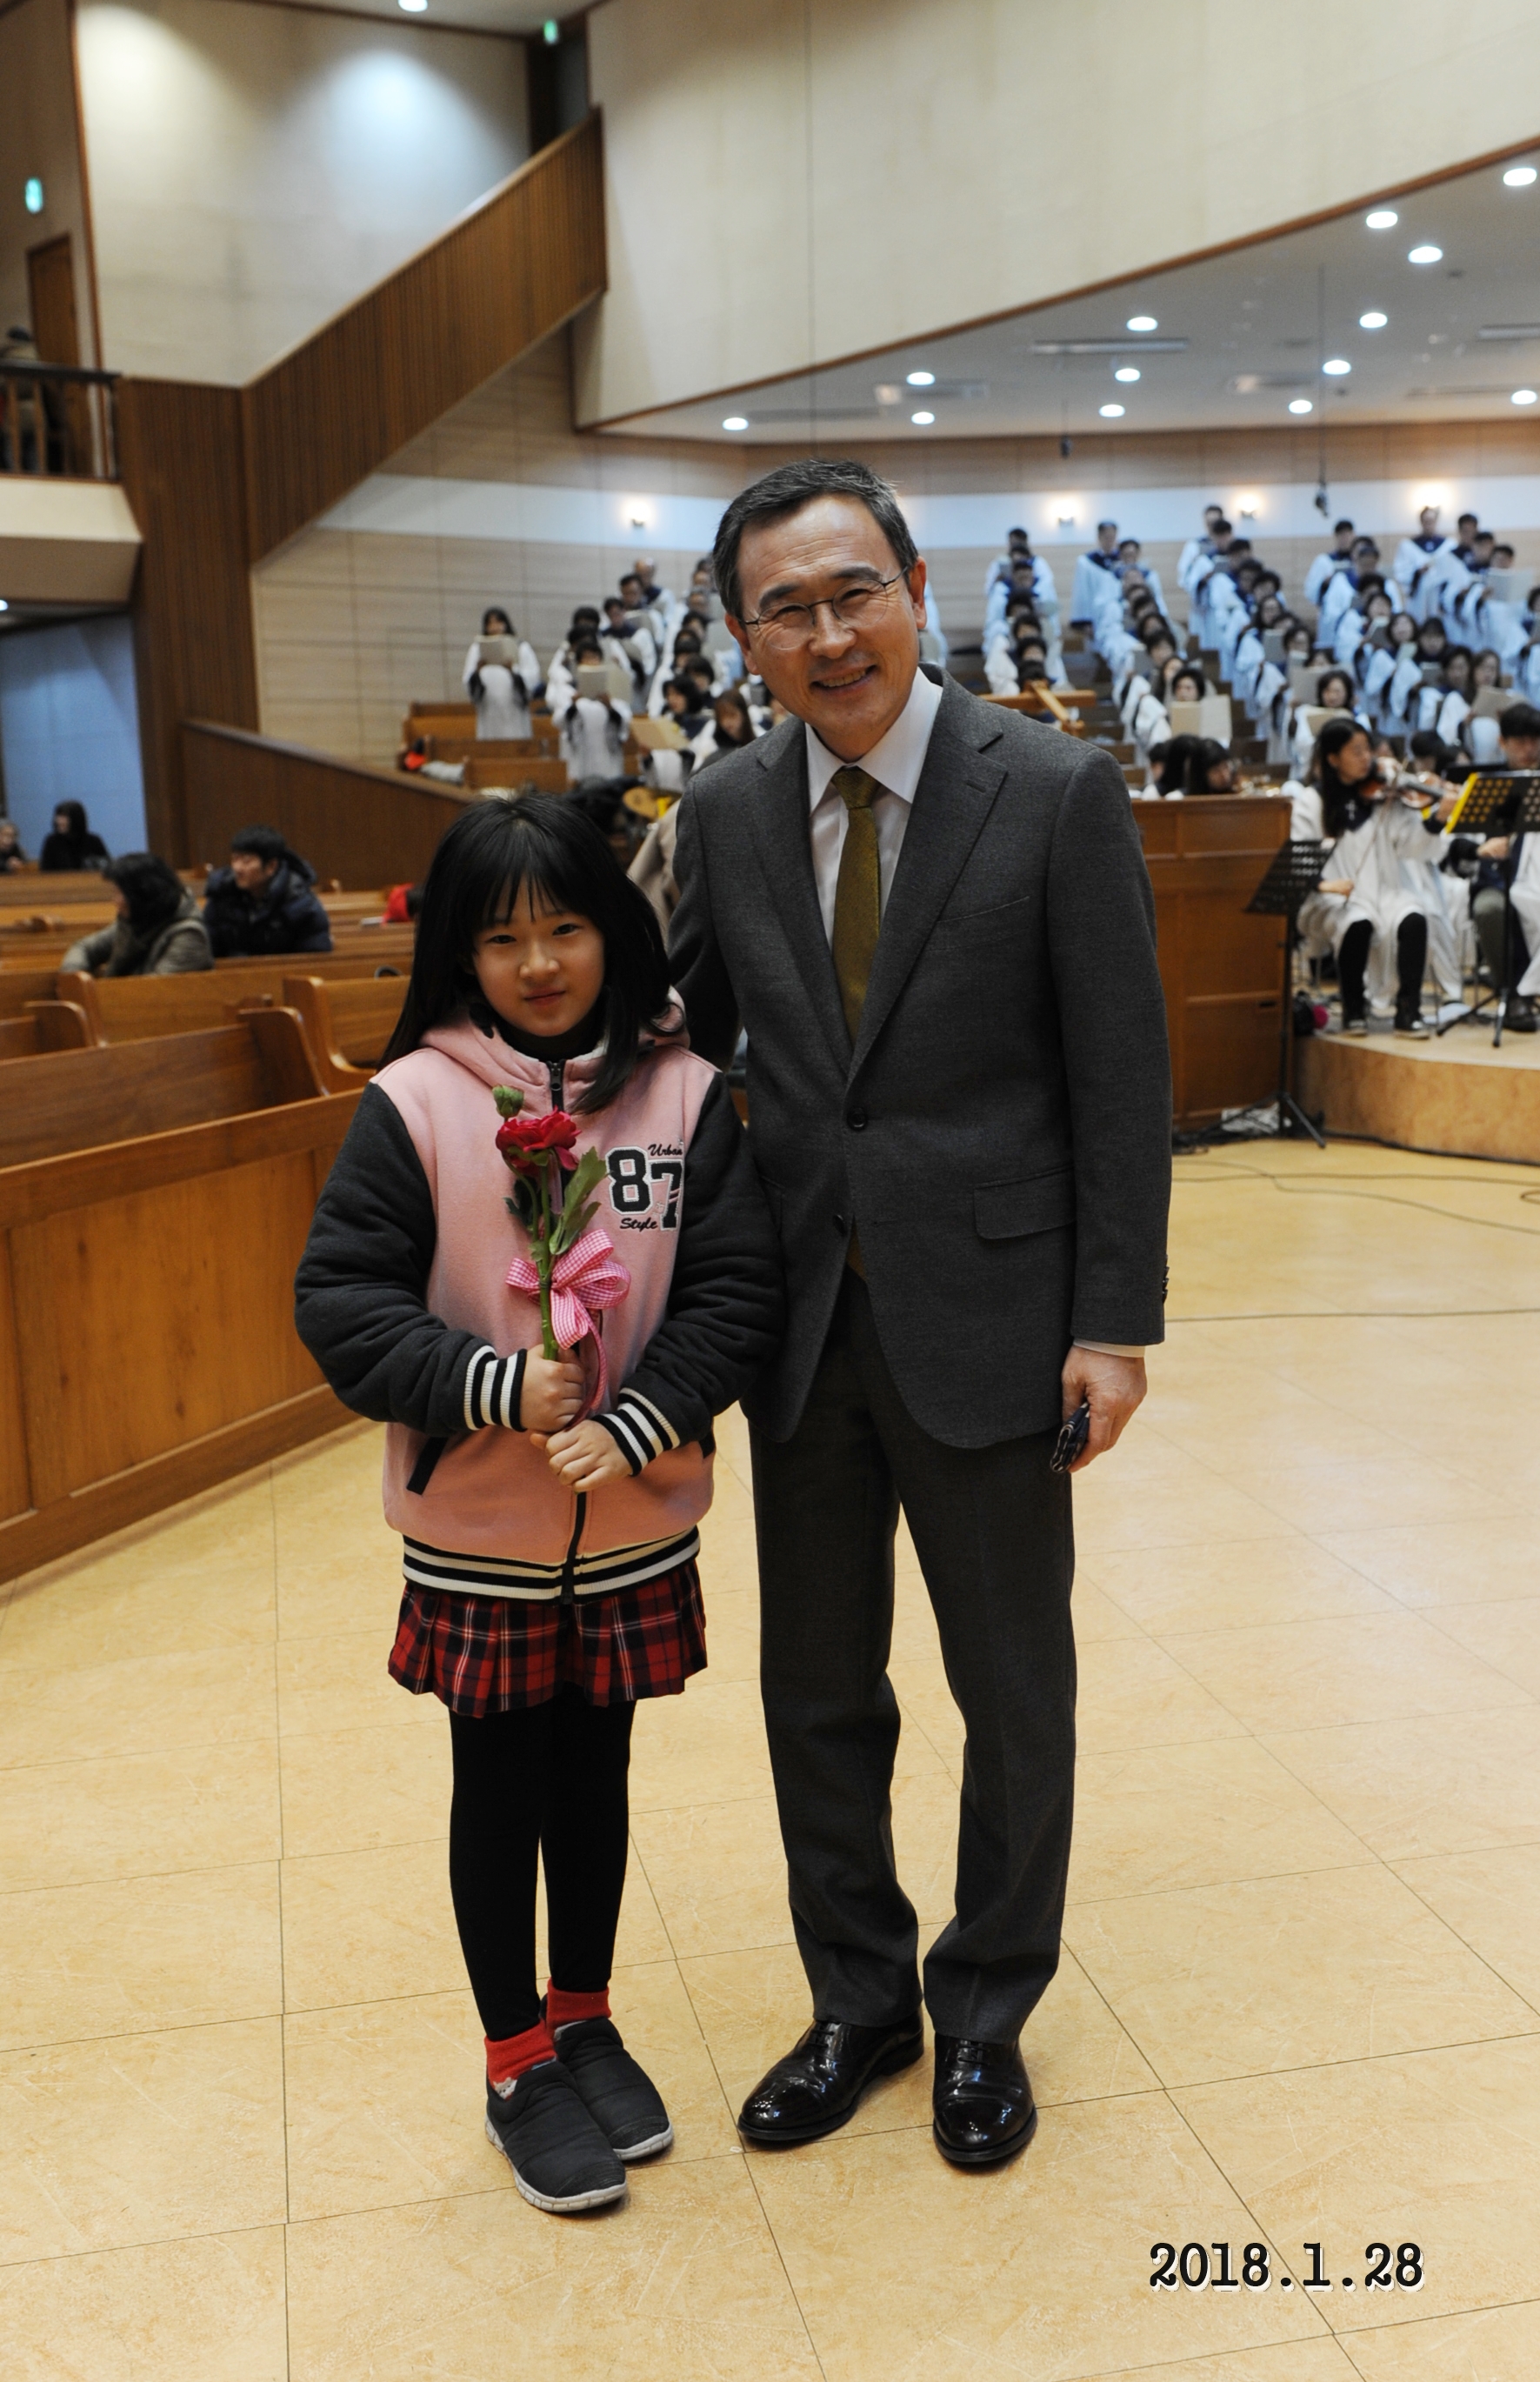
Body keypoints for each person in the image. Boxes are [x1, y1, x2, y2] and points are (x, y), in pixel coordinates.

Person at [670, 457, 1170, 2171]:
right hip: (801, 1325)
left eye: (852, 590)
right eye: (785, 609)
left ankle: (985, 2006)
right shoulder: (727, 808)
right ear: (744, 637)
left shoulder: (1054, 788)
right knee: (817, 1686)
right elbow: (682, 1051)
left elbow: (1121, 1077)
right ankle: (857, 1998)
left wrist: (1113, 1320)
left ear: (915, 586)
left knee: (1011, 1682)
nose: (828, 633)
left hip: (999, 1315)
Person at [293, 795, 782, 2216]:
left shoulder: (683, 1094)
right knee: (500, 1784)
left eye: (566, 926)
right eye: (503, 937)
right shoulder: (416, 1102)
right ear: (460, 951)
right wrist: (493, 1384)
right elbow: (341, 1301)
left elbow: (736, 1288)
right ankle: (515, 2059)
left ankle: (584, 2016)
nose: (540, 961)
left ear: (614, 929)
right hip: (481, 1532)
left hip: (631, 1517)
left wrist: (638, 1416)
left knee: (597, 1774)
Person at [1288, 718, 1447, 1038]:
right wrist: (1323, 884)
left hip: (1386, 890)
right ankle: (1353, 1008)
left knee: (1414, 917)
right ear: (1333, 759)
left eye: (1368, 750)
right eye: (1356, 751)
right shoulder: (1313, 801)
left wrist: (1437, 819)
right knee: (1356, 922)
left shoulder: (1383, 795)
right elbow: (1299, 854)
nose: (1368, 759)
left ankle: (1408, 1011)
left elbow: (1411, 845)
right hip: (1333, 894)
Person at [1470, 700, 1540, 1031]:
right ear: (1502, 742)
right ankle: (1512, 994)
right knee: (1489, 910)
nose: (1528, 749)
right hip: (1495, 881)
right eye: (1519, 741)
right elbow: (1458, 844)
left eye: (1534, 740)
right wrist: (1480, 849)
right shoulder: (1486, 785)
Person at [61, 852, 213, 976]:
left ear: (142, 893)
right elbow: (84, 948)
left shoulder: (188, 934)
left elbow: (155, 990)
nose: (115, 901)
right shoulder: (135, 921)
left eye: (119, 892)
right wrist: (74, 979)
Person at [202, 826, 334, 959]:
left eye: (247, 861)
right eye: (235, 859)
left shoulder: (300, 903)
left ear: (271, 866)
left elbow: (316, 957)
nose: (237, 868)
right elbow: (207, 949)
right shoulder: (222, 896)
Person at [464, 609, 541, 741]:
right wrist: (477, 671)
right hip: (489, 709)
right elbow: (468, 680)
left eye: (498, 622)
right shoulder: (477, 649)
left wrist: (512, 671)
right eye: (490, 623)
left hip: (513, 709)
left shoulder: (521, 647)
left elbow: (532, 677)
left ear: (506, 624)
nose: (494, 627)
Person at [40, 800, 110, 873]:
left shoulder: (93, 841)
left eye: (64, 817)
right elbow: (45, 871)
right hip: (59, 880)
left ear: (76, 819)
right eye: (58, 816)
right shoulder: (52, 842)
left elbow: (107, 866)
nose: (59, 821)